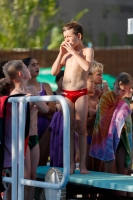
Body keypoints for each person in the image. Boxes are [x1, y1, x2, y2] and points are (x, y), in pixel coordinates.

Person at [51, 20, 94, 174]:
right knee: (69, 128)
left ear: (79, 36)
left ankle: (82, 165)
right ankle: (69, 164)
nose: (66, 40)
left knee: (81, 129)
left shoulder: (87, 51)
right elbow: (54, 72)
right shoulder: (66, 54)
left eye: (69, 36)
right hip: (66, 94)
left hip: (81, 93)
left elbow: (87, 67)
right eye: (65, 37)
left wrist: (74, 53)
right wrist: (61, 54)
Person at [3, 60, 49, 200]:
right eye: (26, 67)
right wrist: (28, 104)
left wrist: (33, 100)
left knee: (33, 176)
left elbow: (45, 109)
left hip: (34, 137)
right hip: (23, 138)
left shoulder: (32, 91)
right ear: (21, 73)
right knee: (24, 176)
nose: (30, 69)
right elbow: (18, 119)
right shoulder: (14, 95)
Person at [90, 72, 133, 196]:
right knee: (111, 174)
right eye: (118, 89)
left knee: (123, 173)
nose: (120, 92)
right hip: (107, 140)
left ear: (129, 89)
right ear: (114, 85)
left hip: (122, 141)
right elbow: (103, 121)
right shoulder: (105, 98)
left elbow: (128, 127)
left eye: (123, 90)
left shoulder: (125, 102)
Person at [22, 57, 56, 166]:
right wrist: (42, 108)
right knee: (27, 166)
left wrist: (35, 108)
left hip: (46, 129)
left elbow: (52, 108)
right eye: (33, 65)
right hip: (28, 130)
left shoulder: (46, 86)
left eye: (37, 64)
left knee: (41, 163)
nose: (37, 67)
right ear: (25, 68)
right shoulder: (21, 88)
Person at [86, 60, 105, 171]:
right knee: (89, 170)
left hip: (100, 138)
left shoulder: (100, 95)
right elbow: (83, 124)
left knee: (100, 171)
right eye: (99, 74)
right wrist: (96, 113)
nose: (101, 77)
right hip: (88, 138)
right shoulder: (84, 98)